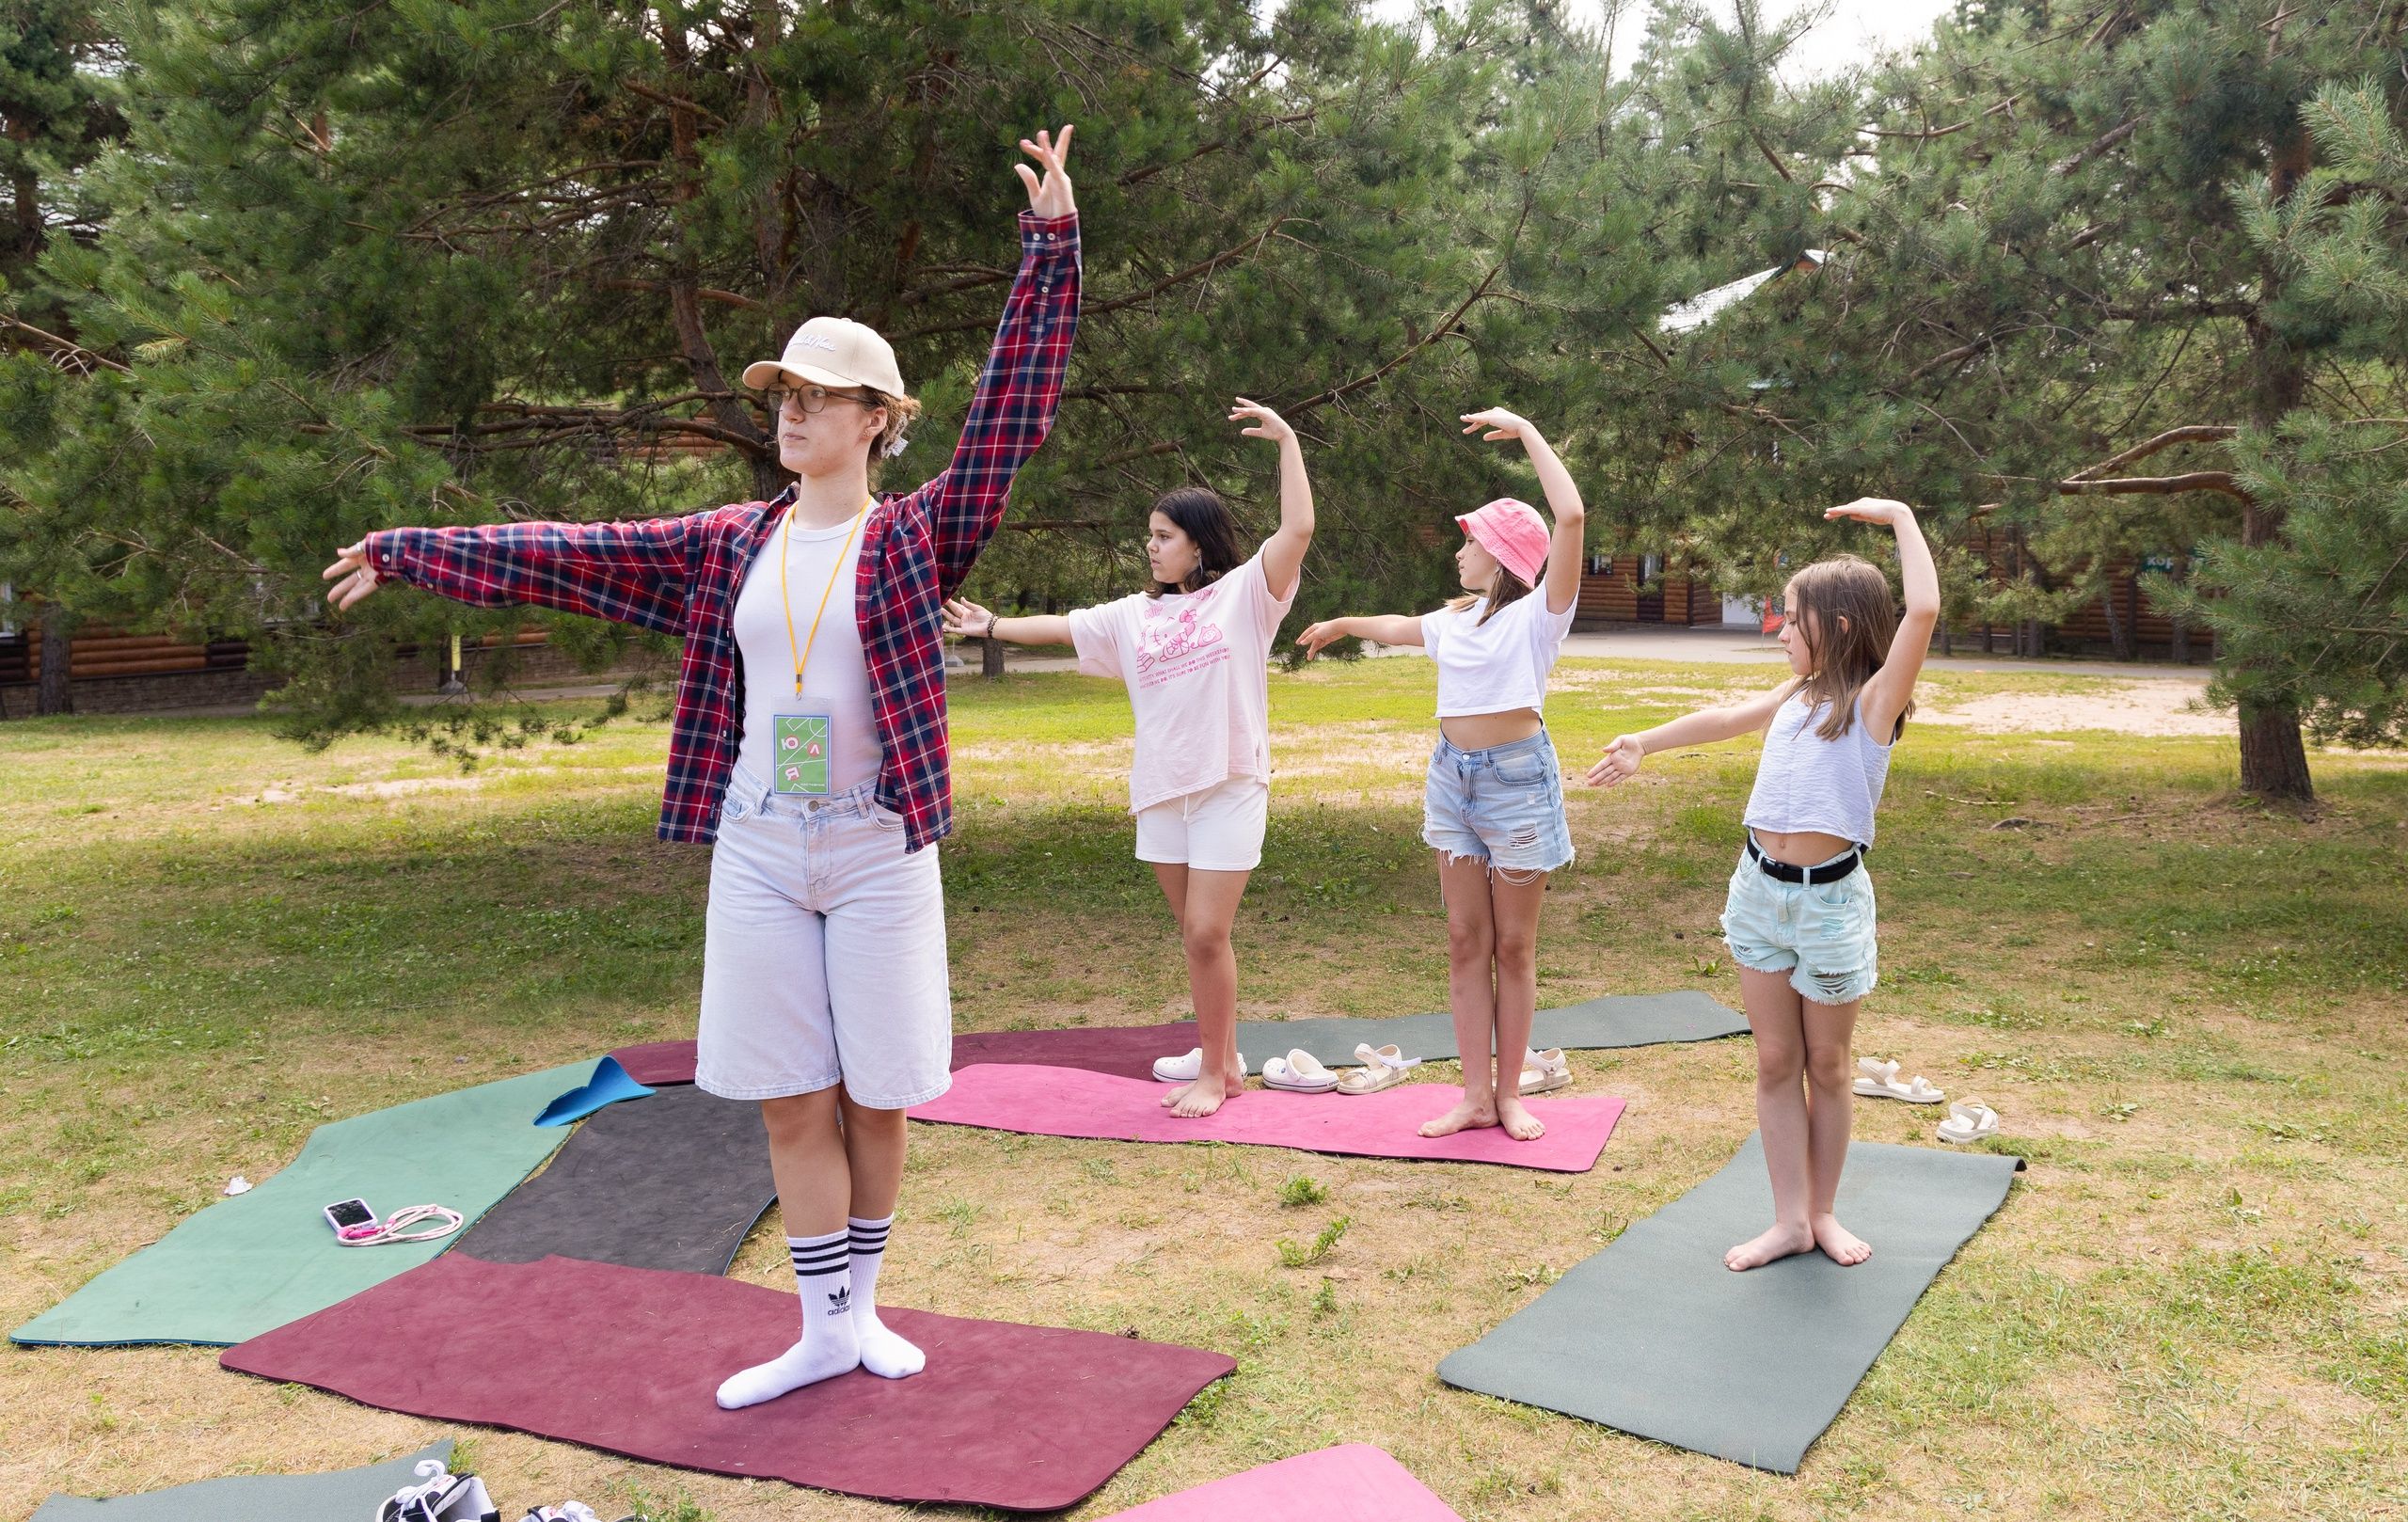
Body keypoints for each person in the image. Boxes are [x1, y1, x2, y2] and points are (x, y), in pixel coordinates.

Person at [321, 127, 1084, 1402]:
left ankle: (863, 1310)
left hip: (878, 838)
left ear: (878, 422)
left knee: (879, 1096)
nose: (792, 411)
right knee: (788, 1094)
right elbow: (569, 552)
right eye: (782, 393)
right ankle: (820, 1323)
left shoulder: (914, 540)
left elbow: (1013, 414)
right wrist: (409, 549)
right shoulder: (729, 541)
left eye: (820, 395)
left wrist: (1048, 250)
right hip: (762, 839)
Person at [1588, 498, 1937, 1270]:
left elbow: (1924, 607)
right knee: (1776, 1063)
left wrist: (1901, 517)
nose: (1775, 631)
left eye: (1790, 618)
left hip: (1830, 906)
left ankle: (1823, 1212)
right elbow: (1722, 719)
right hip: (1757, 895)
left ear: (1839, 627)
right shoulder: (1793, 695)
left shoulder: (1875, 703)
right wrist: (1646, 741)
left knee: (1830, 1067)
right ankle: (1788, 1221)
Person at [941, 399, 1313, 1118]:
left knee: (1209, 932)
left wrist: (1289, 441)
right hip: (1161, 791)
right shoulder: (1131, 616)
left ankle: (1214, 1076)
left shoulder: (1246, 596)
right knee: (1196, 938)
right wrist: (991, 625)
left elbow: (1297, 528)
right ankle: (1226, 1057)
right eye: (1149, 535)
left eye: (1164, 536)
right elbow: (1061, 627)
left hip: (1230, 783)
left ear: (1198, 544)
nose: (1151, 547)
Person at [1293, 407, 1585, 1143]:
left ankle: (1511, 1094)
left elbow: (1572, 514)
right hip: (1452, 780)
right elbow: (1396, 626)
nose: (1460, 550)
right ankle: (1475, 1096)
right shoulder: (1458, 618)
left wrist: (1527, 431)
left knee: (1513, 948)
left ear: (1504, 555)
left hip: (1518, 783)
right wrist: (1343, 624)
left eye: (1473, 541)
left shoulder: (1541, 616)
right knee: (1464, 940)